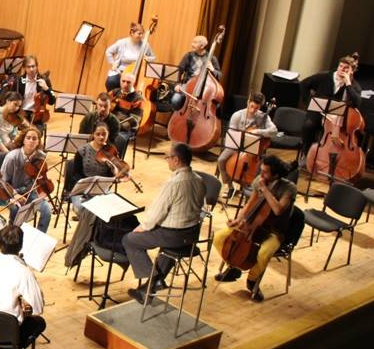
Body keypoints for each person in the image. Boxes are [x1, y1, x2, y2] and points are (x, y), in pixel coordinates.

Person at [121, 143, 206, 304]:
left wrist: (143, 227)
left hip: (174, 235)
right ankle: (150, 287)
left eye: (168, 157)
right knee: (167, 249)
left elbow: (157, 212)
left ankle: (154, 280)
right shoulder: (199, 180)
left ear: (176, 160)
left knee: (129, 240)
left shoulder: (174, 183)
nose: (167, 160)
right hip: (192, 234)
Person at [212, 155, 296, 302]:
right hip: (252, 224)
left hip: (274, 230)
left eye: (265, 172)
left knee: (263, 253)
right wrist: (238, 220)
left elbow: (277, 210)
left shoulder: (289, 188)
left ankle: (252, 280)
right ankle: (234, 267)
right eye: (261, 170)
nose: (260, 174)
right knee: (219, 238)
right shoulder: (260, 180)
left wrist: (265, 189)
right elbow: (250, 203)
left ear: (276, 174)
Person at [299, 53, 362, 161]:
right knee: (308, 126)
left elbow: (357, 103)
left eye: (346, 68)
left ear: (352, 71)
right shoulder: (324, 76)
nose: (342, 69)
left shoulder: (354, 85)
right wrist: (308, 102)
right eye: (340, 66)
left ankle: (326, 158)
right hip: (318, 111)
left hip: (337, 115)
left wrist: (348, 83)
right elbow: (304, 84)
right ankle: (306, 154)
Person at [217, 91, 278, 197]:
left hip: (253, 149)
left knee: (259, 168)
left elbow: (274, 131)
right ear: (248, 102)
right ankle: (230, 186)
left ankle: (247, 188)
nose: (253, 110)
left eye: (257, 108)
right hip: (236, 146)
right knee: (221, 160)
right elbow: (232, 132)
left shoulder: (263, 117)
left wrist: (257, 131)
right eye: (252, 106)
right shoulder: (237, 115)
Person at [0, 128, 54, 233]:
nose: (31, 141)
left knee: (47, 210)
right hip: (11, 192)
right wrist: (15, 195)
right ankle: (13, 234)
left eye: (34, 138)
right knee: (16, 210)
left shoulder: (41, 156)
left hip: (30, 191)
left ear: (38, 142)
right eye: (28, 138)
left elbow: (40, 178)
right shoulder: (12, 157)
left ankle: (39, 236)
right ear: (23, 140)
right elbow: (2, 181)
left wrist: (41, 191)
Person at [70, 121, 120, 211]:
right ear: (93, 134)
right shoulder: (82, 151)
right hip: (83, 190)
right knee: (83, 209)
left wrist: (114, 171)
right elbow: (76, 174)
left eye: (104, 134)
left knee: (111, 208)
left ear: (108, 134)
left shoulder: (111, 151)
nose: (101, 137)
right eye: (98, 134)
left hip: (101, 189)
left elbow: (110, 178)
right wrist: (87, 188)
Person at [170, 35, 222, 110]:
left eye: (195, 42)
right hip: (187, 85)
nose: (192, 44)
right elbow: (179, 71)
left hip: (204, 88)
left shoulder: (212, 58)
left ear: (202, 46)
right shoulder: (188, 56)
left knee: (215, 106)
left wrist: (212, 69)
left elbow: (219, 75)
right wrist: (177, 84)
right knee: (175, 99)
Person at [6, 55, 55, 129]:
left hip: (38, 116)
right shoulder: (18, 81)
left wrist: (46, 88)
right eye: (28, 67)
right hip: (21, 114)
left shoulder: (44, 80)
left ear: (37, 66)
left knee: (36, 133)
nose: (31, 69)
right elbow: (10, 100)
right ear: (24, 68)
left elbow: (52, 101)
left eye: (33, 66)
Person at [104, 21, 155, 91]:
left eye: (142, 34)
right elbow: (108, 52)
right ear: (132, 33)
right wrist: (113, 63)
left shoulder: (145, 45)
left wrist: (147, 58)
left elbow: (153, 57)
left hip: (137, 74)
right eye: (139, 34)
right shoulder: (122, 42)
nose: (141, 36)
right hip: (120, 72)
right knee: (111, 82)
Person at [108, 73, 143, 157]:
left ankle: (115, 160)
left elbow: (133, 121)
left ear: (133, 83)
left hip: (126, 128)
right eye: (123, 81)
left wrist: (116, 126)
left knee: (119, 138)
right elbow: (103, 105)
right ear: (120, 81)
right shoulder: (114, 92)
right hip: (111, 123)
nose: (125, 84)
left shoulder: (138, 99)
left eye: (128, 82)